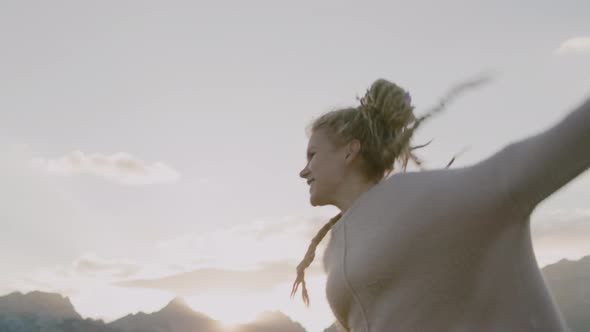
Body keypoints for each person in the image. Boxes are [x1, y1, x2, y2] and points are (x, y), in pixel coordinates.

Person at [290, 77, 590, 331]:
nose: (304, 171)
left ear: (349, 152)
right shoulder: (333, 252)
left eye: (312, 155)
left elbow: (561, 144)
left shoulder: (432, 199)